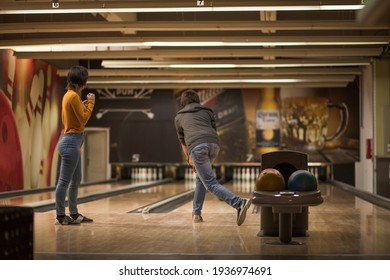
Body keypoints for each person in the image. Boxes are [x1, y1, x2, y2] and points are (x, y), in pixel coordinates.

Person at [174, 90, 251, 225]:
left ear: (182, 103)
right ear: (198, 100)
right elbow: (214, 129)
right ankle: (196, 214)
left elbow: (183, 141)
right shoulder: (208, 111)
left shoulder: (179, 117)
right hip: (214, 145)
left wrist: (189, 158)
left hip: (197, 147)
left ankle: (238, 203)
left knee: (210, 183)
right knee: (201, 179)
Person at [55, 65, 95, 225]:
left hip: (72, 142)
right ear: (80, 83)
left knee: (76, 180)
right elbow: (84, 119)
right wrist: (91, 103)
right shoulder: (72, 97)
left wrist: (83, 104)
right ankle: (60, 215)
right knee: (64, 182)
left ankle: (74, 213)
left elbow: (77, 115)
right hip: (71, 142)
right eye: (84, 82)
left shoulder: (70, 96)